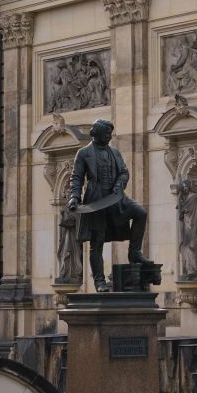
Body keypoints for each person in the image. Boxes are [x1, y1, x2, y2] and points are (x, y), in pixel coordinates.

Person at [68, 119, 149, 293]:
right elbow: (76, 177)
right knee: (97, 242)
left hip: (116, 198)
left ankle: (134, 252)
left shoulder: (115, 152)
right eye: (106, 134)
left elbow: (124, 172)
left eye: (110, 135)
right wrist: (74, 197)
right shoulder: (83, 153)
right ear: (96, 133)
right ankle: (99, 281)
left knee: (140, 212)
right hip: (96, 201)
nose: (109, 137)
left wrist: (120, 183)